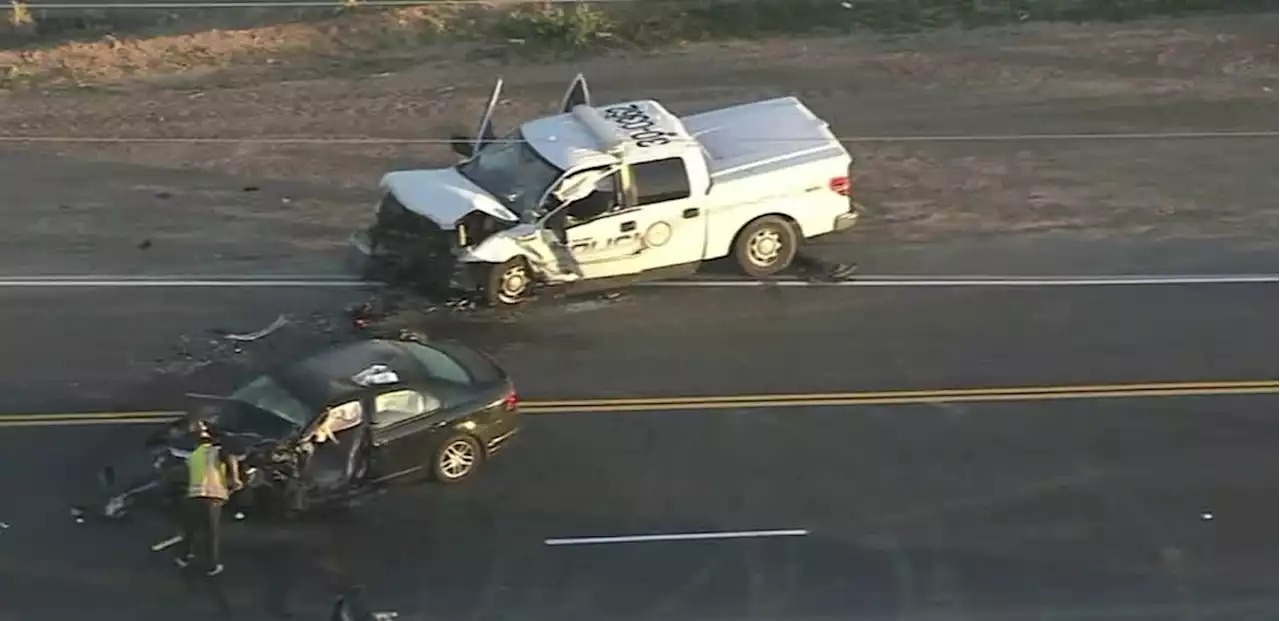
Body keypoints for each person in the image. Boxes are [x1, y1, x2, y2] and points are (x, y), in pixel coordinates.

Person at [175, 419, 243, 576]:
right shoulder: (217, 451)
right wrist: (235, 478)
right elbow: (232, 457)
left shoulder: (193, 456)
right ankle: (212, 565)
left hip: (194, 495)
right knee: (211, 532)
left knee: (190, 529)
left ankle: (184, 557)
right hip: (213, 496)